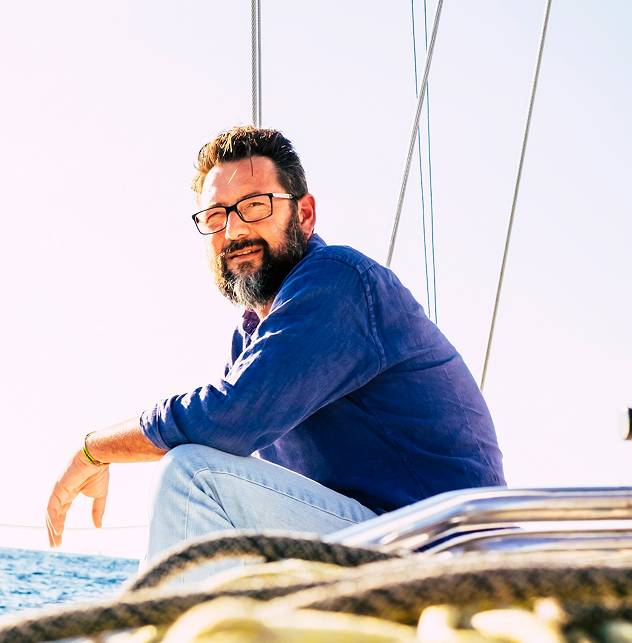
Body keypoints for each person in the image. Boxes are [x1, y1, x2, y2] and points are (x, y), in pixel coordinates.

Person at [44, 126, 504, 565]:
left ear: (303, 215)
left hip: (445, 547)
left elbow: (227, 418)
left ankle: (166, 620)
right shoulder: (249, 336)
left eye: (255, 206)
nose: (234, 230)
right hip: (379, 543)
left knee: (193, 475)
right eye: (215, 216)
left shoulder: (339, 280)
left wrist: (94, 450)